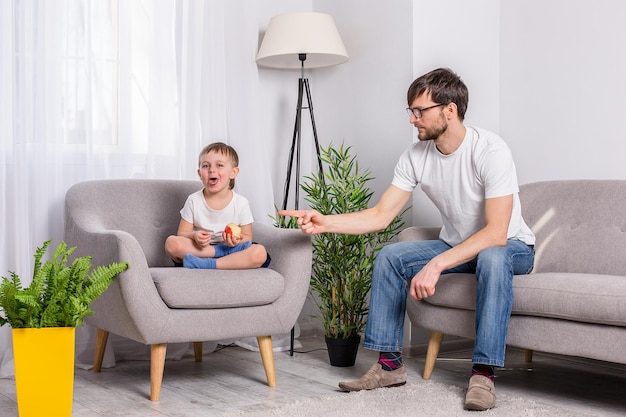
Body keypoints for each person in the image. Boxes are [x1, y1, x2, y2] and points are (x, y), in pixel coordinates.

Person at [281, 68, 535, 411]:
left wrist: (437, 264)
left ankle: (483, 374)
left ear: (450, 110)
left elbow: (496, 232)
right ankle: (389, 366)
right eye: (410, 111)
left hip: (511, 246)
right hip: (457, 243)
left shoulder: (490, 150)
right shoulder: (417, 155)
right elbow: (380, 215)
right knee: (390, 256)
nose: (413, 120)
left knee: (490, 256)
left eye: (420, 111)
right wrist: (324, 221)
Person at [165, 142, 270, 270]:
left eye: (219, 165)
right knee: (172, 243)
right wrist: (194, 236)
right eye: (206, 166)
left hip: (231, 250)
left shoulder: (241, 203)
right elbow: (182, 233)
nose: (212, 170)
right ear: (199, 174)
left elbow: (247, 237)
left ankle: (208, 264)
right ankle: (216, 255)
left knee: (259, 252)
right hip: (201, 250)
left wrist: (235, 241)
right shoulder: (193, 200)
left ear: (233, 172)